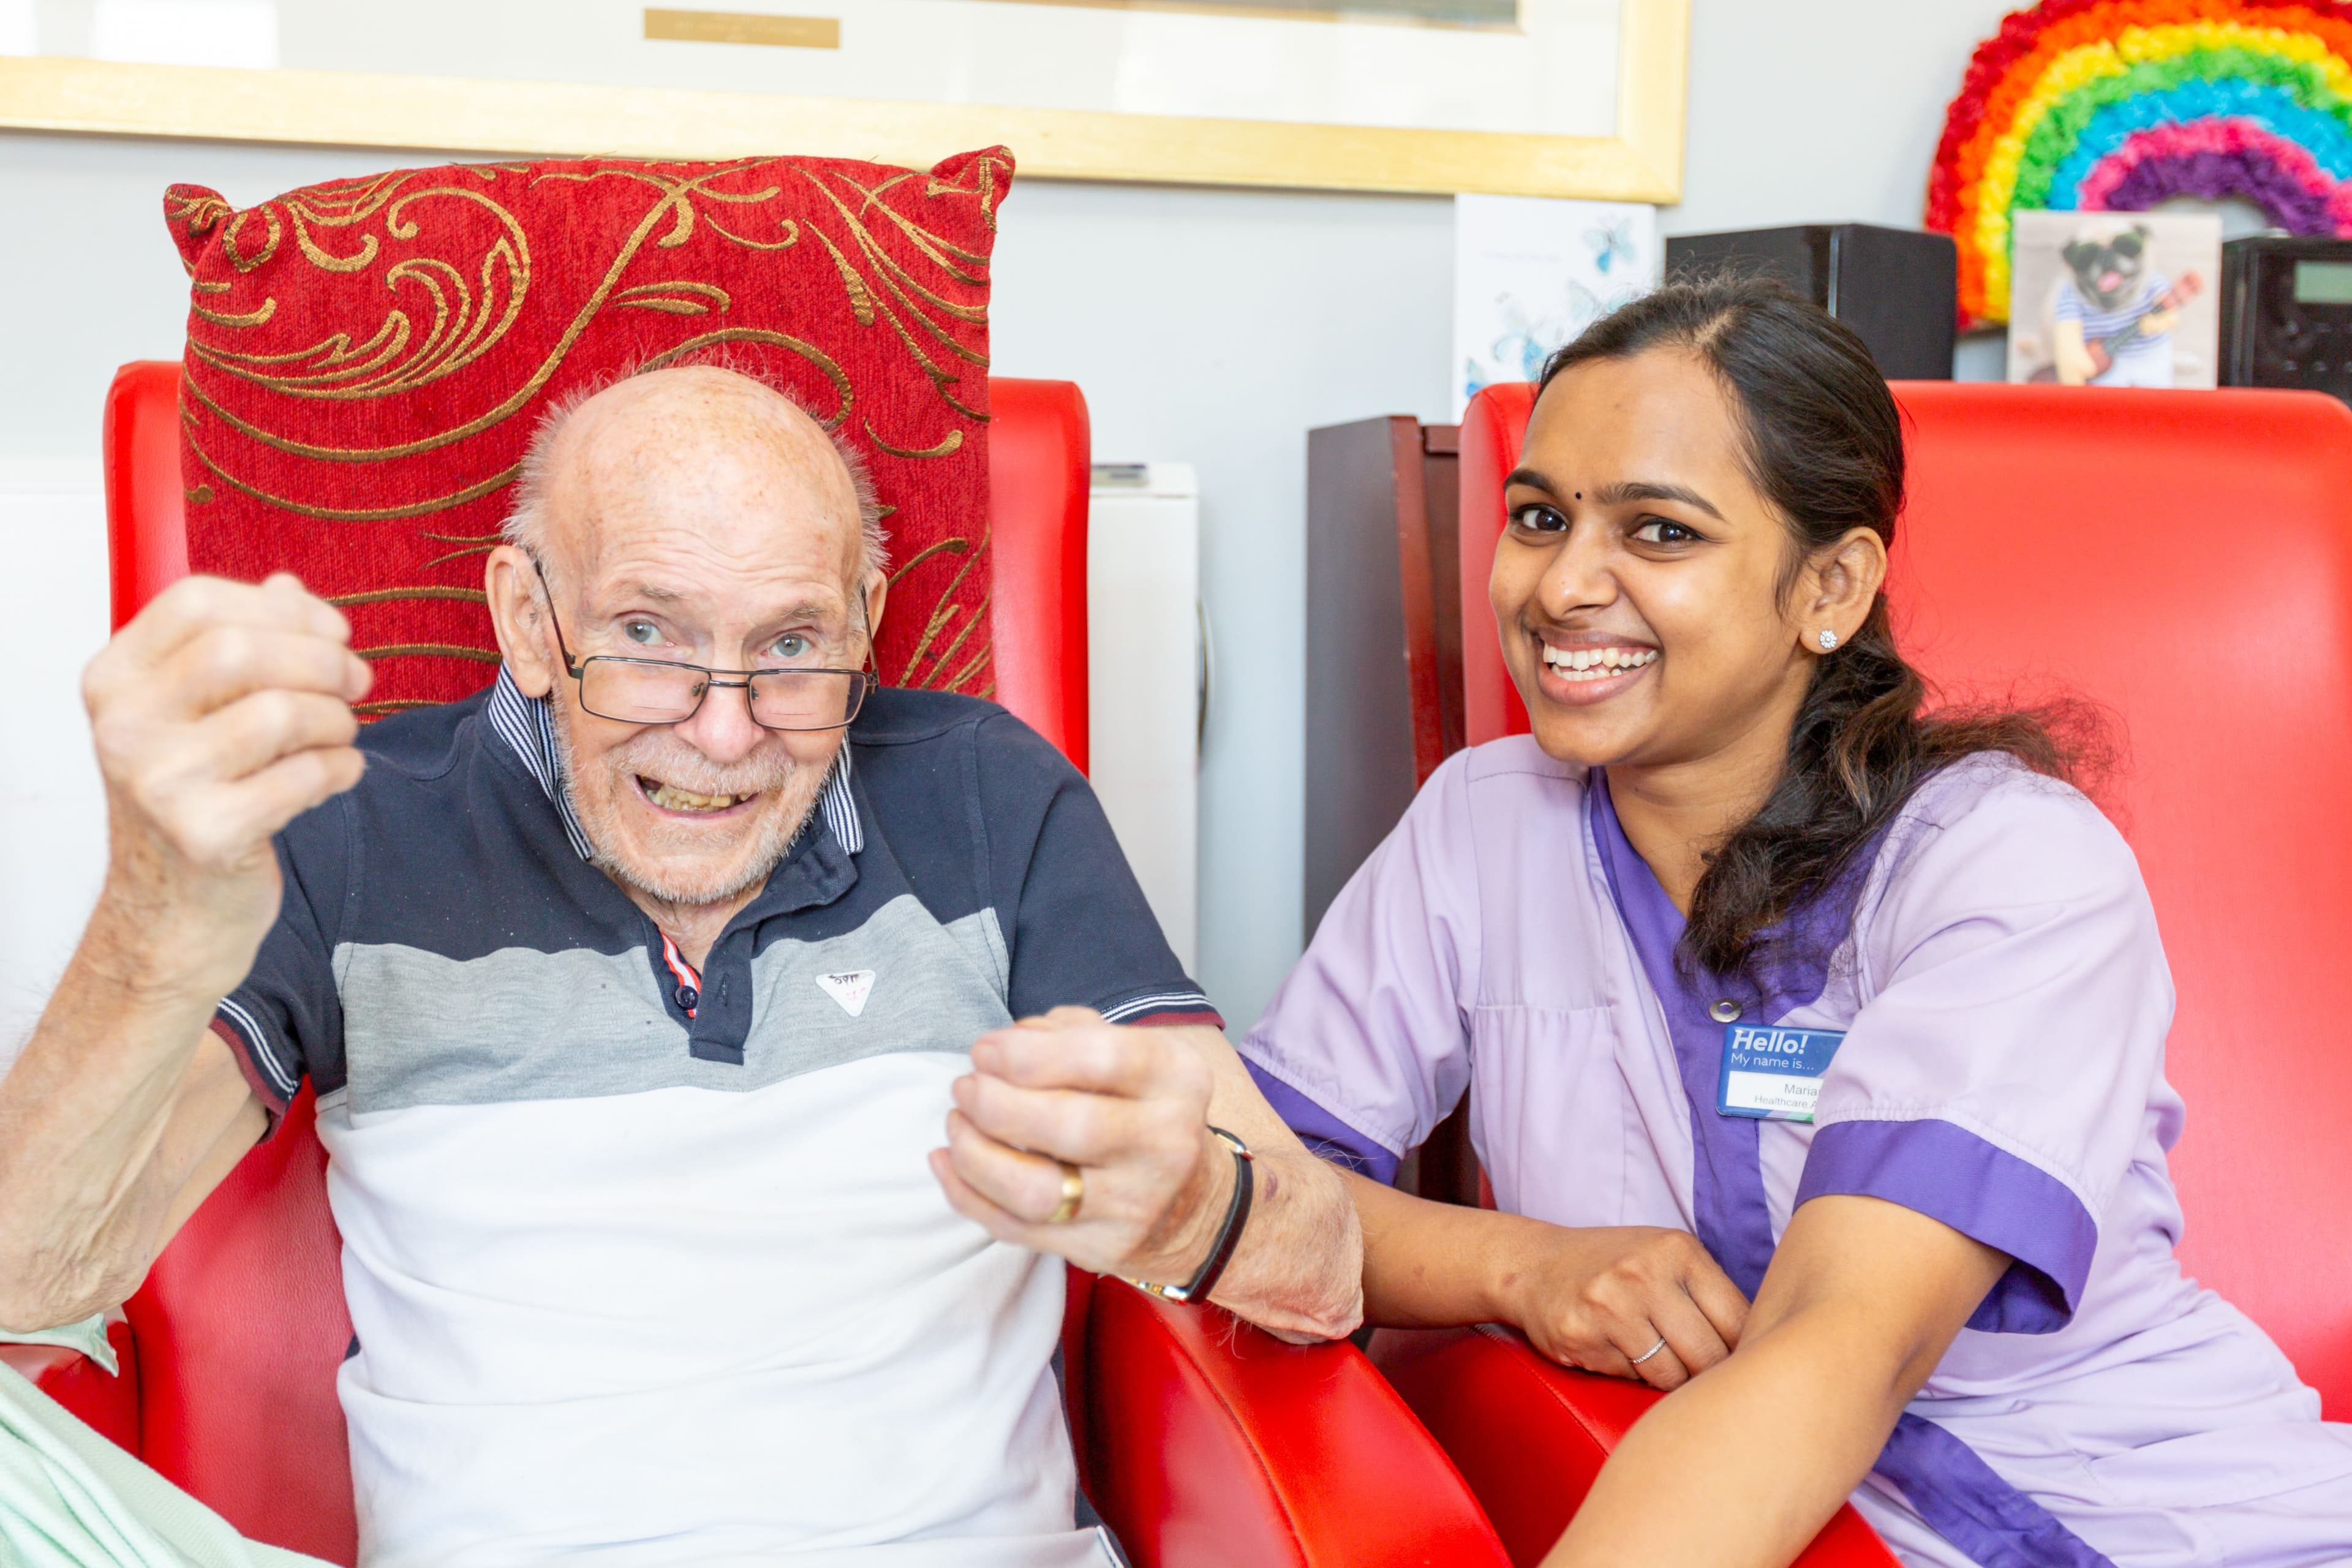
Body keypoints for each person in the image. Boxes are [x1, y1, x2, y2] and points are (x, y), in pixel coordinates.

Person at [0, 363, 1361, 1566]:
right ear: (526, 619)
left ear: (865, 619)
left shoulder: (989, 797)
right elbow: (25, 1281)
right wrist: (150, 926)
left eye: (789, 646)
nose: (723, 734)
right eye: (647, 636)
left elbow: (1324, 1265)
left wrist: (1192, 1211)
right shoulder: (350, 825)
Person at [1238, 278, 2352, 1567]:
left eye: (1660, 533)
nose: (1562, 584)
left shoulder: (2010, 865)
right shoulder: (1481, 827)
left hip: (2188, 1524)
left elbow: (1841, 1347)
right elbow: (1265, 1188)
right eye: (1539, 517)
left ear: (1830, 583)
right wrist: (1520, 1264)